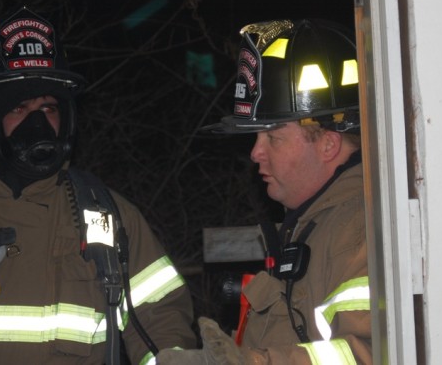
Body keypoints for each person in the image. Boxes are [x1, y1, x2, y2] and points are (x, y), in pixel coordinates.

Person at [0, 7, 196, 364]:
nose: (38, 124)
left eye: (49, 108)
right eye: (20, 108)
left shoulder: (104, 215)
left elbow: (161, 318)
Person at [157, 19, 371, 364]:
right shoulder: (312, 226)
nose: (256, 153)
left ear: (328, 144)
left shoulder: (357, 229)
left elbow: (371, 354)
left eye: (273, 137)